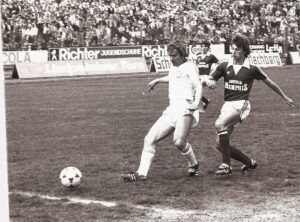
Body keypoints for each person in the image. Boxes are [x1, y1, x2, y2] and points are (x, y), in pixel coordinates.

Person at [203, 33, 294, 176]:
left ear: (244, 51)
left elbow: (270, 83)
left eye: (236, 49)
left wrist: (284, 96)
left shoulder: (252, 69)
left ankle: (226, 165)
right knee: (220, 145)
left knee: (219, 125)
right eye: (232, 49)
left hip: (242, 104)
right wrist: (208, 81)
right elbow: (209, 78)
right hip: (227, 105)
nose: (233, 52)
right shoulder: (224, 66)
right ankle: (249, 162)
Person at [122, 42, 207, 182]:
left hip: (186, 107)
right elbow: (173, 78)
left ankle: (193, 164)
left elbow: (198, 86)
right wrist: (158, 80)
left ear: (182, 55)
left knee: (179, 142)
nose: (171, 58)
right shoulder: (173, 67)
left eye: (174, 55)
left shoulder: (190, 67)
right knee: (149, 139)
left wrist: (195, 104)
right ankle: (141, 174)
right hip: (172, 108)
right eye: (170, 55)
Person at [196, 41, 219, 110]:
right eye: (202, 46)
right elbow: (196, 66)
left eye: (205, 46)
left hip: (205, 76)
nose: (203, 48)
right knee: (195, 91)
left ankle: (198, 108)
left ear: (208, 48)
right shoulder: (198, 56)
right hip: (198, 76)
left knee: (197, 90)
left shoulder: (211, 56)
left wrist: (213, 72)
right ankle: (206, 101)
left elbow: (218, 64)